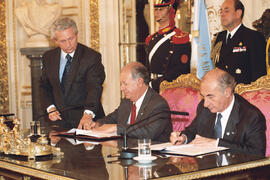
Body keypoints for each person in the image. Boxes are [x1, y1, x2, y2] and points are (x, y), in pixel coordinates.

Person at [170, 68, 266, 157]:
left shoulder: (251, 116)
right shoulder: (204, 109)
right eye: (203, 96)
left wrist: (217, 144)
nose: (205, 104)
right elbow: (193, 131)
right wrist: (183, 138)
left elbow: (257, 153)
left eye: (210, 97)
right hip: (207, 168)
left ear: (227, 92)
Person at [40, 17, 105, 130]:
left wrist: (88, 114)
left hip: (86, 122)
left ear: (77, 34)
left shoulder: (91, 57)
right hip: (58, 123)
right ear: (55, 40)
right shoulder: (48, 57)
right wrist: (50, 108)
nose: (68, 44)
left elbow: (94, 88)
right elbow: (44, 86)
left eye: (71, 38)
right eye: (63, 41)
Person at [89, 62, 172, 142]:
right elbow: (113, 118)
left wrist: (117, 128)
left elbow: (148, 132)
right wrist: (98, 124)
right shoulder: (127, 101)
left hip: (152, 154)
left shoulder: (158, 104)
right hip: (127, 150)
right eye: (121, 84)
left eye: (125, 84)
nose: (121, 88)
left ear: (139, 82)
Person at [212, 0, 266, 84]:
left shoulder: (253, 37)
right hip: (222, 91)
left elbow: (259, 74)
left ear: (238, 13)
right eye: (221, 11)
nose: (222, 14)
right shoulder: (219, 37)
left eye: (226, 11)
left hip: (243, 92)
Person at [145, 0, 191, 92]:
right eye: (156, 9)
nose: (157, 12)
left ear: (171, 11)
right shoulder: (151, 39)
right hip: (152, 89)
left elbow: (180, 71)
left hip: (171, 90)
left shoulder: (180, 37)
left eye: (161, 9)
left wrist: (154, 84)